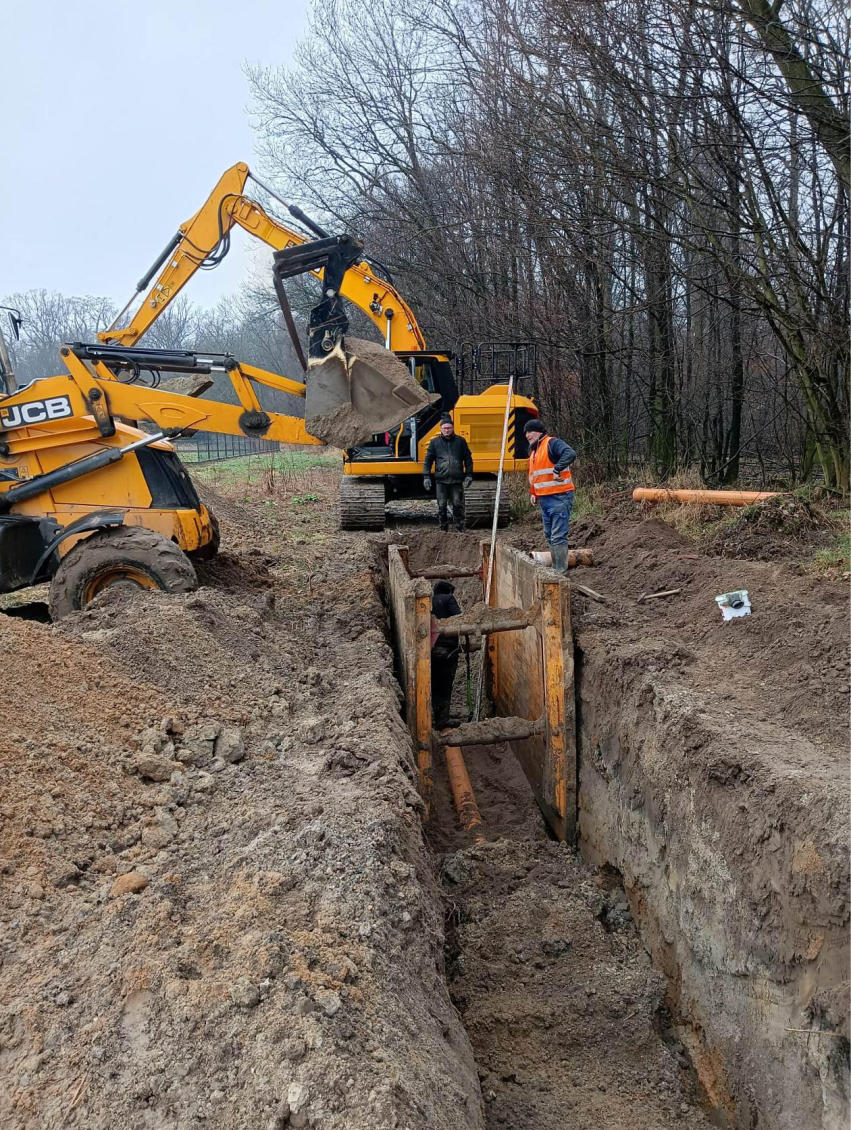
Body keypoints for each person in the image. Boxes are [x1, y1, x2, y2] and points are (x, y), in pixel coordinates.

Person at [525, 419, 577, 574]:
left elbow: (570, 453)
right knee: (549, 534)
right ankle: (556, 568)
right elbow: (535, 476)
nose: (527, 435)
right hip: (544, 499)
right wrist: (534, 493)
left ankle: (560, 571)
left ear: (540, 431)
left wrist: (557, 469)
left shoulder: (551, 443)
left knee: (558, 536)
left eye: (530, 431)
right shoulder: (534, 451)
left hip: (559, 497)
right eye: (526, 433)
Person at [423, 414, 474, 532]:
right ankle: (443, 529)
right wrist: (426, 476)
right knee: (442, 505)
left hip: (456, 480)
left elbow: (468, 459)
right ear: (440, 429)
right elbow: (428, 460)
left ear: (453, 429)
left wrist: (469, 474)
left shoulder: (461, 441)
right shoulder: (434, 443)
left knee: (457, 504)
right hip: (441, 480)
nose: (447, 430)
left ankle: (458, 528)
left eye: (449, 428)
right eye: (444, 428)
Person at [431, 580, 462, 727]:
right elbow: (459, 617)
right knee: (445, 684)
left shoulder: (429, 600)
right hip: (447, 648)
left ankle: (437, 715)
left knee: (435, 684)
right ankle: (443, 720)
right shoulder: (448, 599)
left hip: (431, 648)